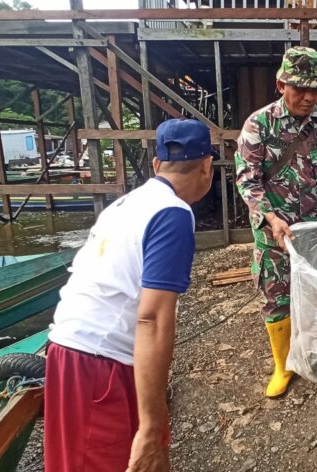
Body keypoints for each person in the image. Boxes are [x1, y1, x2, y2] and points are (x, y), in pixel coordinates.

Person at [44, 119, 217, 472]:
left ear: (156, 165)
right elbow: (151, 319)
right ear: (207, 166)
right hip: (98, 364)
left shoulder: (124, 205)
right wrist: (152, 427)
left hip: (68, 350)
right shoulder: (173, 214)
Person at [234, 46, 317, 399]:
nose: (308, 97)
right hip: (275, 234)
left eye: (315, 89)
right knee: (275, 297)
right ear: (280, 84)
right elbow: (247, 180)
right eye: (300, 88)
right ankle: (283, 365)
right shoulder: (259, 124)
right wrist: (270, 217)